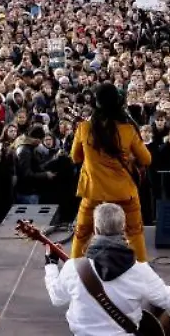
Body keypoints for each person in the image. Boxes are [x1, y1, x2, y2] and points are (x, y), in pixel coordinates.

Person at [44, 203, 170, 336]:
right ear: (123, 228)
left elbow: (57, 299)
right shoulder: (141, 271)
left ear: (96, 229)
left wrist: (51, 264)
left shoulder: (73, 267)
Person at [71, 83, 151, 262]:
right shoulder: (128, 130)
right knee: (134, 232)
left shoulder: (84, 128)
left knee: (82, 233)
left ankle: (74, 270)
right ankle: (141, 269)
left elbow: (75, 157)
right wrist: (129, 158)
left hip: (93, 192)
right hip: (124, 193)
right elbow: (146, 160)